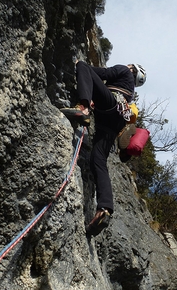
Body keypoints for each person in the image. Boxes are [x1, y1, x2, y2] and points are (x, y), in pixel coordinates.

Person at [60, 60, 146, 236]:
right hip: (115, 122)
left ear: (132, 70)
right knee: (98, 160)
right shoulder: (130, 93)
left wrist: (77, 64)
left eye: (130, 65)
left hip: (110, 106)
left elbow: (102, 74)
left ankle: (82, 109)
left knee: (84, 66)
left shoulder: (123, 71)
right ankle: (104, 209)